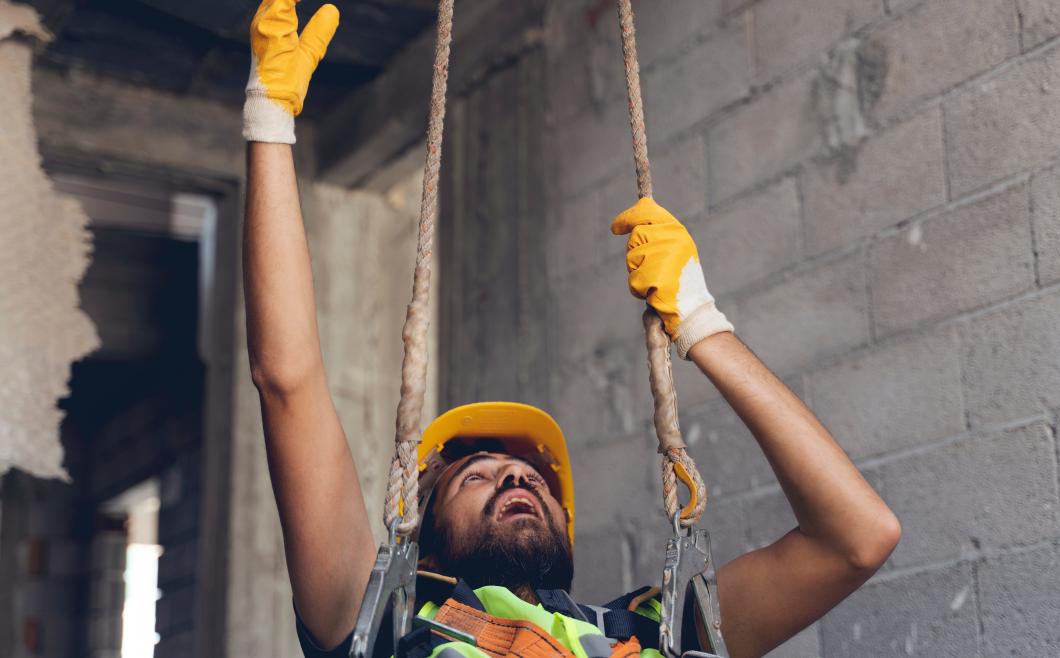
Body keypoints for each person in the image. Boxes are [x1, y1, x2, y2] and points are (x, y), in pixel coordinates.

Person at [240, 2, 902, 657]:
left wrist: (703, 325)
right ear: (427, 542)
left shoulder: (646, 633)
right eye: (476, 476)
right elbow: (287, 382)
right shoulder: (387, 621)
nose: (517, 479)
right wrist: (269, 125)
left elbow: (856, 538)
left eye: (532, 479)